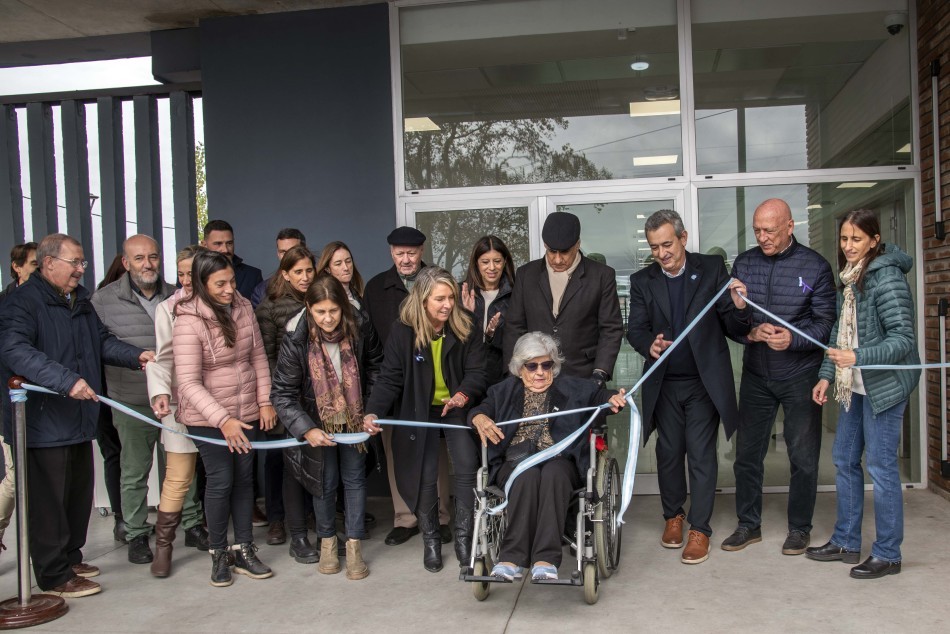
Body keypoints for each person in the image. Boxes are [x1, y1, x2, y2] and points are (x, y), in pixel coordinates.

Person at [0, 233, 152, 597]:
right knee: (47, 502)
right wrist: (66, 381)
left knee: (76, 495)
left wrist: (136, 356)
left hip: (78, 419)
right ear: (49, 263)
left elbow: (100, 342)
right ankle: (53, 576)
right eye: (75, 263)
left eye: (83, 263)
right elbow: (16, 351)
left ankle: (70, 557)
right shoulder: (22, 303)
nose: (81, 270)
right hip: (41, 422)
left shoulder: (80, 300)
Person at [626, 210, 751, 565]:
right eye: (654, 247)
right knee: (668, 453)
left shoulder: (711, 268)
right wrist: (647, 343)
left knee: (700, 453)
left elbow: (731, 320)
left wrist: (740, 306)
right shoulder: (642, 280)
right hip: (664, 384)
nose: (662, 253)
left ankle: (700, 528)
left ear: (682, 237)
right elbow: (634, 328)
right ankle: (673, 516)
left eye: (667, 244)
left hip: (702, 383)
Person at [806, 209, 920, 580]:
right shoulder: (852, 279)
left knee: (882, 468)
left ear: (874, 239)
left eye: (856, 239)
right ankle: (846, 541)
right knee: (843, 459)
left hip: (884, 388)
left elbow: (903, 340)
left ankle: (888, 554)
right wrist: (826, 375)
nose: (848, 246)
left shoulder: (886, 279)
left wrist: (858, 357)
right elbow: (840, 334)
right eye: (843, 239)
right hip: (853, 386)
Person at [721, 198, 837, 556]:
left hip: (799, 374)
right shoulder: (745, 263)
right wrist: (746, 330)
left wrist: (793, 339)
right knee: (747, 454)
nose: (762, 237)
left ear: (790, 226)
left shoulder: (815, 266)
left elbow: (825, 324)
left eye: (769, 230)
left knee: (802, 457)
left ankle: (799, 528)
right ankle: (748, 525)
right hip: (757, 373)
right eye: (757, 230)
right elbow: (729, 322)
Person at [470, 332, 626, 581]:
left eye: (547, 365)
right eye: (532, 366)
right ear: (520, 369)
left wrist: (612, 398)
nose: (540, 372)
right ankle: (511, 558)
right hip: (516, 462)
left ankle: (545, 560)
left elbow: (599, 397)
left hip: (560, 460)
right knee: (528, 476)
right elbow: (480, 410)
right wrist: (478, 417)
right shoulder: (502, 392)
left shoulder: (573, 388)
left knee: (553, 474)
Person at [363, 266, 487, 572]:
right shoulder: (403, 331)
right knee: (425, 473)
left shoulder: (466, 324)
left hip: (456, 407)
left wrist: (462, 396)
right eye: (439, 299)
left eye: (451, 298)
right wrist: (373, 410)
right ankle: (431, 539)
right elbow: (390, 378)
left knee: (467, 465)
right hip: (420, 410)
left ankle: (462, 537)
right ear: (422, 301)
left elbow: (477, 373)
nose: (447, 305)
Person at [173, 250, 277, 587]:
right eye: (220, 284)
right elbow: (187, 382)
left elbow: (259, 358)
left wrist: (264, 402)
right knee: (221, 481)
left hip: (245, 410)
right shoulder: (188, 320)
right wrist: (222, 420)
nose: (229, 289)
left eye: (231, 281)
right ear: (202, 284)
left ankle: (244, 548)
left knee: (245, 480)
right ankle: (219, 553)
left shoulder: (244, 307)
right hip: (208, 418)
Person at [272, 275, 384, 580]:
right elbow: (281, 393)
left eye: (333, 311)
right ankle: (327, 544)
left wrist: (371, 410)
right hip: (316, 422)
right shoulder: (296, 338)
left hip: (355, 419)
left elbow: (376, 367)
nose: (328, 318)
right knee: (325, 482)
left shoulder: (360, 326)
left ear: (344, 307)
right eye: (320, 312)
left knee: (354, 480)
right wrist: (306, 428)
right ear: (309, 308)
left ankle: (355, 545)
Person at [92, 234, 193, 566]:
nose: (148, 264)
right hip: (132, 398)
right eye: (139, 258)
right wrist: (135, 356)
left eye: (152, 257)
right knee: (134, 470)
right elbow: (100, 345)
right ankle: (136, 533)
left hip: (178, 398)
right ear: (125, 262)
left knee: (181, 467)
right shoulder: (103, 300)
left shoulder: (177, 295)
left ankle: (192, 524)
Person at [363, 227, 452, 547]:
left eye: (411, 253)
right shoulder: (376, 287)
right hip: (394, 382)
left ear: (421, 250)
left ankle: (440, 516)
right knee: (396, 451)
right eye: (399, 253)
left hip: (433, 384)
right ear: (390, 253)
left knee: (437, 451)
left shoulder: (437, 279)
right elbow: (369, 339)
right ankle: (405, 517)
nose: (405, 259)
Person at [146, 245, 214, 577]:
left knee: (221, 475)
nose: (186, 279)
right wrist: (160, 392)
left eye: (192, 272)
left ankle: (222, 543)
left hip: (221, 404)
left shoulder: (224, 302)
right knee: (177, 477)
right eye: (181, 272)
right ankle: (164, 547)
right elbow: (164, 357)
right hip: (182, 402)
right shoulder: (167, 308)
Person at [504, 211, 623, 387]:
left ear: (578, 244)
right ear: (545, 244)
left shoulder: (601, 275)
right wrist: (515, 373)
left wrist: (600, 373)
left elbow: (611, 329)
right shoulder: (526, 274)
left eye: (565, 252)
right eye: (552, 251)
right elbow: (514, 326)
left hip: (585, 377)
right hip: (534, 378)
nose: (557, 259)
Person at [255, 245, 319, 558]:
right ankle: (285, 525)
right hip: (286, 397)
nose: (305, 277)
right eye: (298, 272)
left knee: (315, 462)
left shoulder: (321, 297)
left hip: (318, 397)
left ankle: (314, 521)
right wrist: (270, 401)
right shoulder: (270, 306)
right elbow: (264, 357)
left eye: (309, 270)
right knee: (287, 466)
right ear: (285, 273)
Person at [0, 241, 37, 554]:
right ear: (18, 267)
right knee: (15, 478)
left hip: (44, 407)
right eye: (35, 264)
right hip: (12, 406)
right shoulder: (6, 306)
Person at [461, 235, 516, 386]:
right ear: (476, 263)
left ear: (505, 262)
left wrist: (492, 334)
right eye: (485, 262)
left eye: (497, 261)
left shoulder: (516, 293)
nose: (492, 267)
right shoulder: (462, 294)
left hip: (504, 376)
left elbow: (519, 337)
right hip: (468, 377)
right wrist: (467, 316)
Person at [200, 219, 263, 300]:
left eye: (229, 243)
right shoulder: (191, 274)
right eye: (218, 244)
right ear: (204, 245)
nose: (225, 249)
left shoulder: (253, 275)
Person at [250, 228, 307, 308]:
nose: (288, 256)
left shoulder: (319, 285)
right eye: (283, 252)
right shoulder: (262, 290)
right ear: (278, 254)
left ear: (305, 251)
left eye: (292, 251)